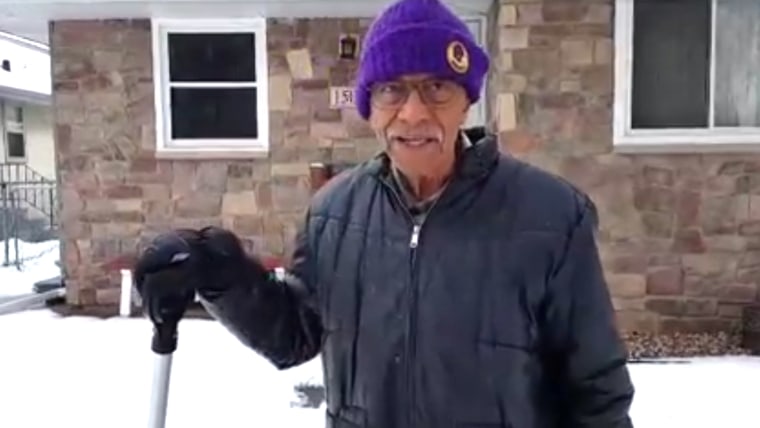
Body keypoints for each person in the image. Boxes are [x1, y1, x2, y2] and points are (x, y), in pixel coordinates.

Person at [132, 0, 635, 426]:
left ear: (467, 101)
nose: (413, 113)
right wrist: (219, 273)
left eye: (437, 87)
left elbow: (596, 391)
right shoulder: (333, 212)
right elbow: (294, 336)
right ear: (370, 107)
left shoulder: (549, 215)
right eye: (392, 90)